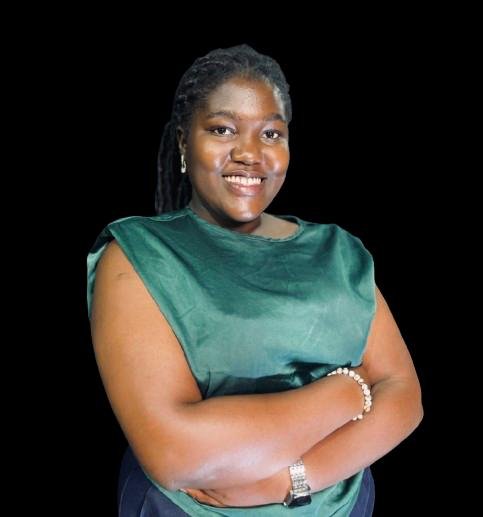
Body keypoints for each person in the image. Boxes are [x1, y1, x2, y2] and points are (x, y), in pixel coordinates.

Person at [87, 44, 423, 516]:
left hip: (343, 506)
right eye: (222, 129)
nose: (249, 153)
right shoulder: (139, 253)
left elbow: (405, 397)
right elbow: (176, 453)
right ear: (184, 141)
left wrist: (293, 480)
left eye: (270, 133)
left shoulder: (338, 251)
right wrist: (349, 392)